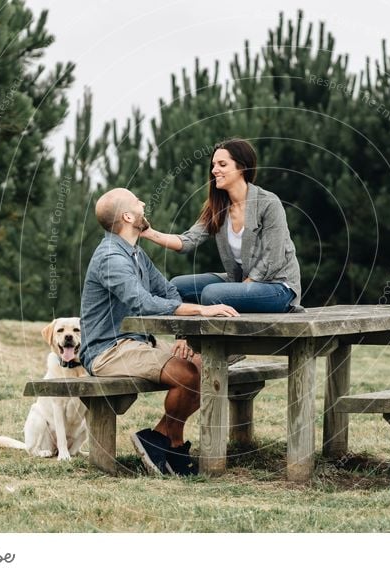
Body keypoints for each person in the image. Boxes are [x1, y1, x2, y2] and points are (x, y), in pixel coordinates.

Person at [79, 187, 238, 477]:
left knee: (207, 364)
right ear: (129, 216)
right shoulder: (111, 257)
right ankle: (170, 444)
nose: (143, 203)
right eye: (137, 201)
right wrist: (201, 310)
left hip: (138, 342)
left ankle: (161, 438)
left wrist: (182, 336)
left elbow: (167, 291)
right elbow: (141, 302)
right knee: (187, 375)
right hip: (107, 350)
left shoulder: (135, 253)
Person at [139, 138, 303, 313]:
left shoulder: (268, 203)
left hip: (278, 287)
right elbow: (187, 241)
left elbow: (273, 259)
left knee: (211, 294)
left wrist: (243, 288)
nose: (214, 170)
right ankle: (185, 338)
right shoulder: (218, 207)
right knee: (175, 287)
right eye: (214, 164)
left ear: (242, 167)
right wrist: (148, 233)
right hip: (240, 281)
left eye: (222, 164)